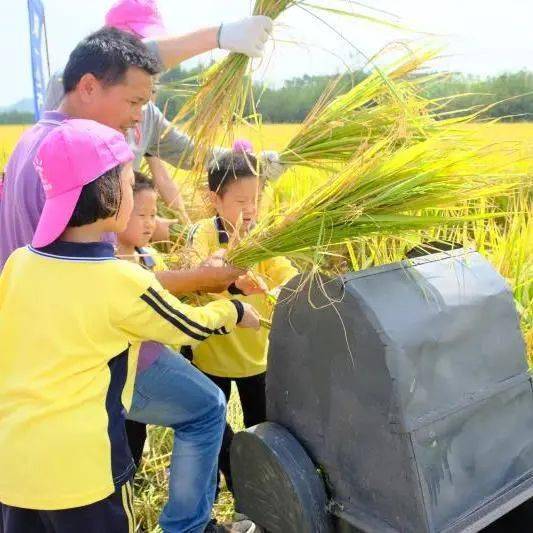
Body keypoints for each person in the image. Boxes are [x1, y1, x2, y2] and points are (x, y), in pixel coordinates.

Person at [0, 30, 262, 533]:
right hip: (91, 363)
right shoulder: (68, 162)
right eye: (136, 101)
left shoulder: (38, 146)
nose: (138, 118)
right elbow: (123, 293)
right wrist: (216, 285)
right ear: (90, 87)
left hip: (26, 427)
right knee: (207, 408)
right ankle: (188, 526)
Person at [188, 148, 298, 507]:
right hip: (210, 359)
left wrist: (281, 290)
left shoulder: (264, 238)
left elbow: (286, 275)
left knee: (263, 430)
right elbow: (199, 276)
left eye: (256, 199)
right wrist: (233, 282)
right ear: (214, 200)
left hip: (257, 360)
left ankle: (265, 496)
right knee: (214, 432)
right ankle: (236, 485)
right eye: (240, 201)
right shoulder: (203, 236)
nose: (250, 209)